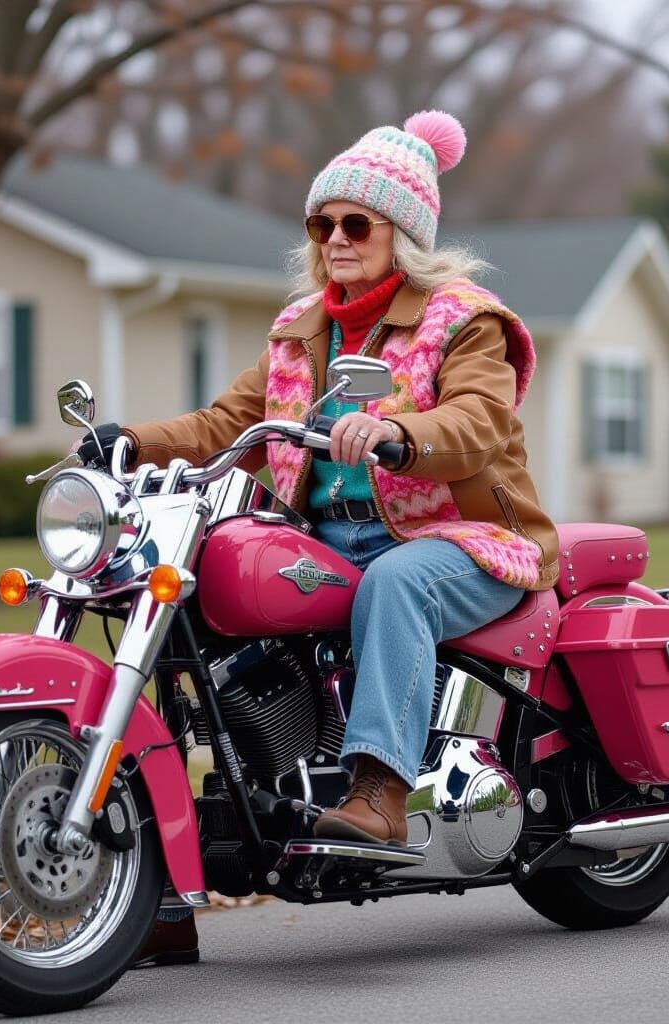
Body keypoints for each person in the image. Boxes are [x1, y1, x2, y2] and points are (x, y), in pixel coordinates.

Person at [107, 111, 558, 960]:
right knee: (199, 601)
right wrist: (130, 442)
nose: (336, 239)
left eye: (357, 223)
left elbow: (478, 423)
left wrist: (398, 432)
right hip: (328, 538)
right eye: (323, 224)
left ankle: (381, 792)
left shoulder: (465, 321)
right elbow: (226, 421)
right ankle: (162, 882)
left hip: (467, 538)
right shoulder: (302, 328)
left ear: (404, 235)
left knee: (397, 582)